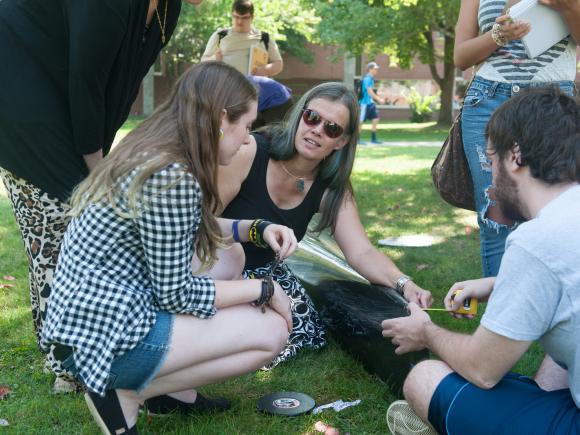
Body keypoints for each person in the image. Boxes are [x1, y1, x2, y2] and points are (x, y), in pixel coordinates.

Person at [41, 61, 295, 434]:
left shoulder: (156, 150)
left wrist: (256, 229)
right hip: (104, 336)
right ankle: (123, 392)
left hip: (88, 314)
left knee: (230, 254)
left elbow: (191, 226)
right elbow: (176, 294)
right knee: (271, 332)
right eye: (247, 125)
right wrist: (264, 289)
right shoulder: (172, 177)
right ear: (223, 118)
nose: (247, 139)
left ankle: (168, 393)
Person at [0, 0, 204, 391]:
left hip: (60, 90)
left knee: (83, 214)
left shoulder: (167, 8)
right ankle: (65, 361)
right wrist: (98, 168)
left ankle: (86, 345)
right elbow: (87, 79)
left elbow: (121, 84)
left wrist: (104, 156)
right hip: (15, 92)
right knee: (56, 216)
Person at [382, 88, 580, 434]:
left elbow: (483, 368)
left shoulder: (537, 240)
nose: (490, 175)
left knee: (425, 378)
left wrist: (425, 332)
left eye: (491, 159)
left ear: (515, 155)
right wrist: (499, 284)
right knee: (559, 353)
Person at [217, 82, 433, 367]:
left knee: (306, 330)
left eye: (332, 128)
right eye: (312, 118)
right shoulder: (250, 151)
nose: (317, 130)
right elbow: (200, 223)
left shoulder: (332, 188)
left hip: (265, 273)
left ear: (341, 141)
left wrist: (404, 283)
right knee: (256, 329)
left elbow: (361, 252)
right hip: (218, 265)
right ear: (300, 116)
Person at [454, 0, 579, 277]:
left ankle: (552, 312)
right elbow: (460, 57)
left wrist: (568, 8)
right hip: (488, 101)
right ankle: (501, 316)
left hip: (553, 103)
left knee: (561, 213)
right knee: (496, 219)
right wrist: (497, 37)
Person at [201, 0, 283, 77]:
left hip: (254, 88)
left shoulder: (264, 37)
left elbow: (278, 64)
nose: (240, 21)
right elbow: (203, 61)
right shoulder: (220, 35)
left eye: (245, 18)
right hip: (225, 87)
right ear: (232, 15)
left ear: (252, 17)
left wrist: (263, 70)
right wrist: (214, 59)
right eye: (236, 17)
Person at [359, 61, 386, 145]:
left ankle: (373, 139)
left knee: (375, 118)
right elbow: (370, 92)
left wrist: (378, 97)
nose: (376, 70)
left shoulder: (371, 79)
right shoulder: (367, 79)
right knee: (361, 121)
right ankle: (357, 139)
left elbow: (371, 93)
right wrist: (379, 99)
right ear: (370, 69)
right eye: (375, 69)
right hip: (364, 103)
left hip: (370, 103)